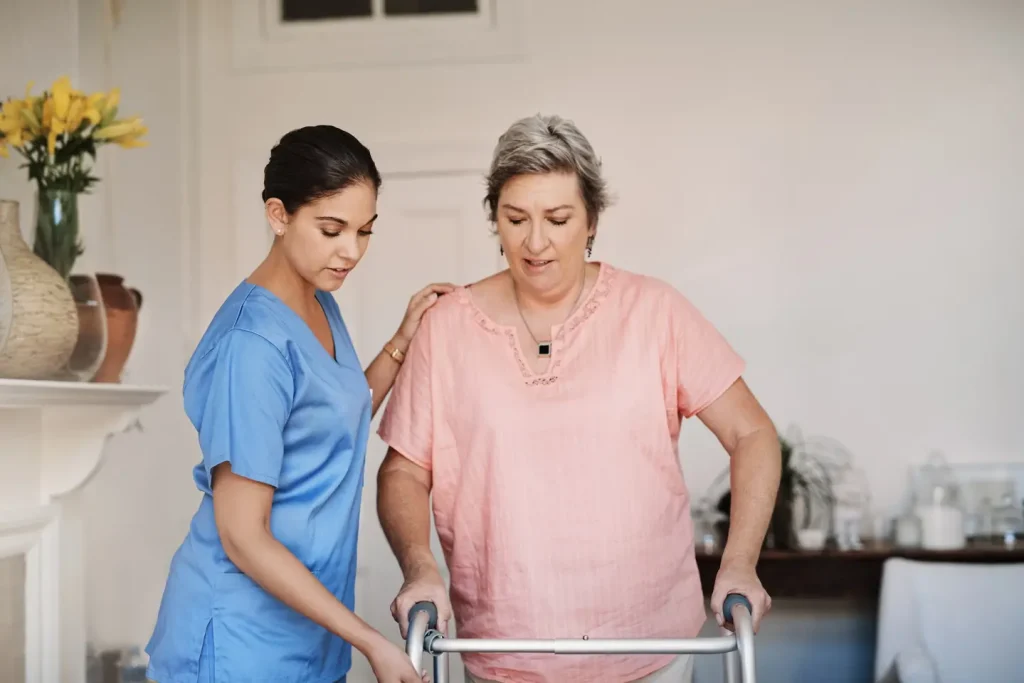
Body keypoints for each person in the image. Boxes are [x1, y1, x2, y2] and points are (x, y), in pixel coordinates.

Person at [375, 114, 781, 683]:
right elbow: (402, 472)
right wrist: (420, 568)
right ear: (494, 218)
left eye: (558, 219)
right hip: (506, 652)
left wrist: (739, 563)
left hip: (651, 644)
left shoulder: (655, 311)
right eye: (516, 218)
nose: (535, 242)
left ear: (592, 219)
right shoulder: (447, 328)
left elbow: (753, 433)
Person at [145, 125, 452, 683]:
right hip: (239, 641)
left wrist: (401, 341)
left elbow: (330, 418)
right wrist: (370, 641)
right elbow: (243, 536)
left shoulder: (317, 299)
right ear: (278, 215)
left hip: (308, 632)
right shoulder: (251, 345)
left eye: (364, 231)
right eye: (332, 230)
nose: (351, 251)